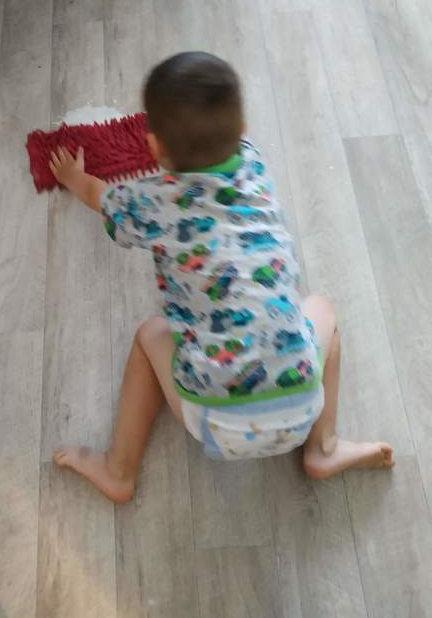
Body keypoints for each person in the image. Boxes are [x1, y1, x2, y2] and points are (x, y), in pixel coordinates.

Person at [49, 51, 394, 504]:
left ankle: (119, 470)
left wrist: (75, 178)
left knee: (149, 336)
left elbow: (103, 199)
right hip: (302, 403)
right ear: (243, 128)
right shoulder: (255, 165)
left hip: (213, 418)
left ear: (153, 147)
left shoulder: (151, 203)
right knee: (322, 308)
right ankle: (323, 447)